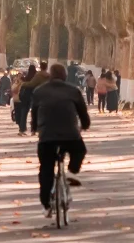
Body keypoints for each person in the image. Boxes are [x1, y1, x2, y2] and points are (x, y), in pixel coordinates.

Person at [31, 62, 91, 216]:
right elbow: (83, 113)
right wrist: (85, 125)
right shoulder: (74, 91)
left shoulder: (39, 92)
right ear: (65, 76)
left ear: (50, 76)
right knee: (80, 150)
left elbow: (34, 114)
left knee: (46, 169)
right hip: (70, 136)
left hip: (47, 137)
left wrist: (34, 128)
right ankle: (72, 171)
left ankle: (46, 205)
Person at [15, 61, 50, 134]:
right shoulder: (49, 76)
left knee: (30, 112)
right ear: (46, 67)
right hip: (46, 96)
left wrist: (23, 84)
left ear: (40, 67)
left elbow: (31, 84)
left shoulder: (38, 76)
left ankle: (25, 129)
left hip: (34, 96)